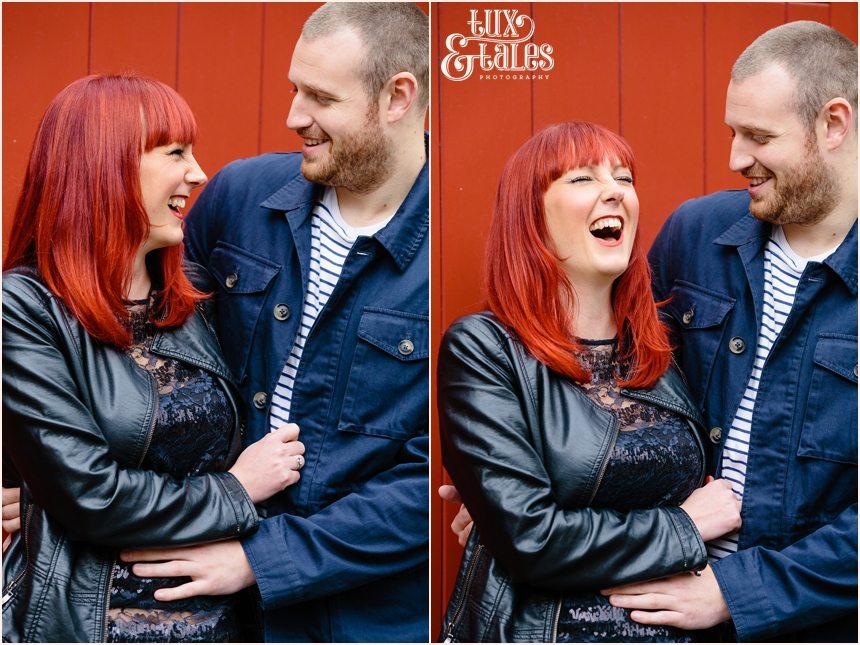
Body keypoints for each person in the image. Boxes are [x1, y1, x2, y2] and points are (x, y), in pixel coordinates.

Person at [444, 20, 857, 643]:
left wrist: (738, 592)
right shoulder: (698, 236)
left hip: (793, 619)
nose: (735, 159)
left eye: (758, 136)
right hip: (625, 597)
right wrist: (504, 492)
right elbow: (612, 389)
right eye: (732, 133)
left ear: (833, 124)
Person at [116, 3, 430, 642]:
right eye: (294, 88)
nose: (294, 116)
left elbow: (438, 478)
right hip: (197, 597)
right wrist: (28, 476)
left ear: (398, 97)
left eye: (320, 97)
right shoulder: (238, 199)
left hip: (364, 616)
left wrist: (265, 559)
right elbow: (127, 345)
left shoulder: (458, 250)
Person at [1, 75, 307, 643]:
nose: (197, 173)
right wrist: (236, 490)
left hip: (225, 622)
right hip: (94, 624)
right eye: (175, 152)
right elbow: (91, 494)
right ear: (104, 165)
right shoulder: (24, 307)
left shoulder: (193, 296)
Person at [437, 121, 742, 643]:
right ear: (530, 216)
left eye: (623, 177)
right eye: (581, 179)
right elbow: (532, 540)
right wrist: (684, 527)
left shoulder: (663, 346)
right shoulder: (485, 349)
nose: (614, 192)